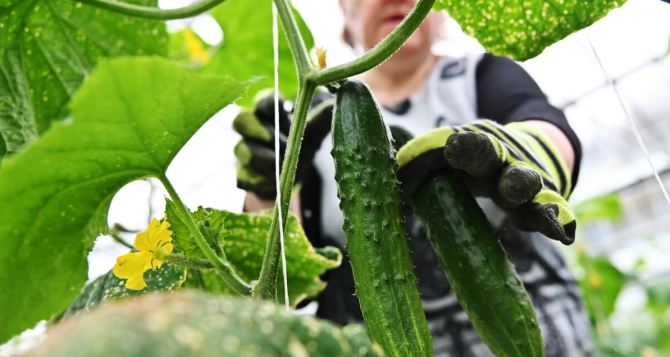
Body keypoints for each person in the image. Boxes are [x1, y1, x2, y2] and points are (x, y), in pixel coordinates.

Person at [233, 0, 591, 355]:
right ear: (345, 9)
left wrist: (532, 151)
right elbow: (287, 276)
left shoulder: (480, 73)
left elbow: (544, 125)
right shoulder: (315, 117)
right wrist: (265, 191)